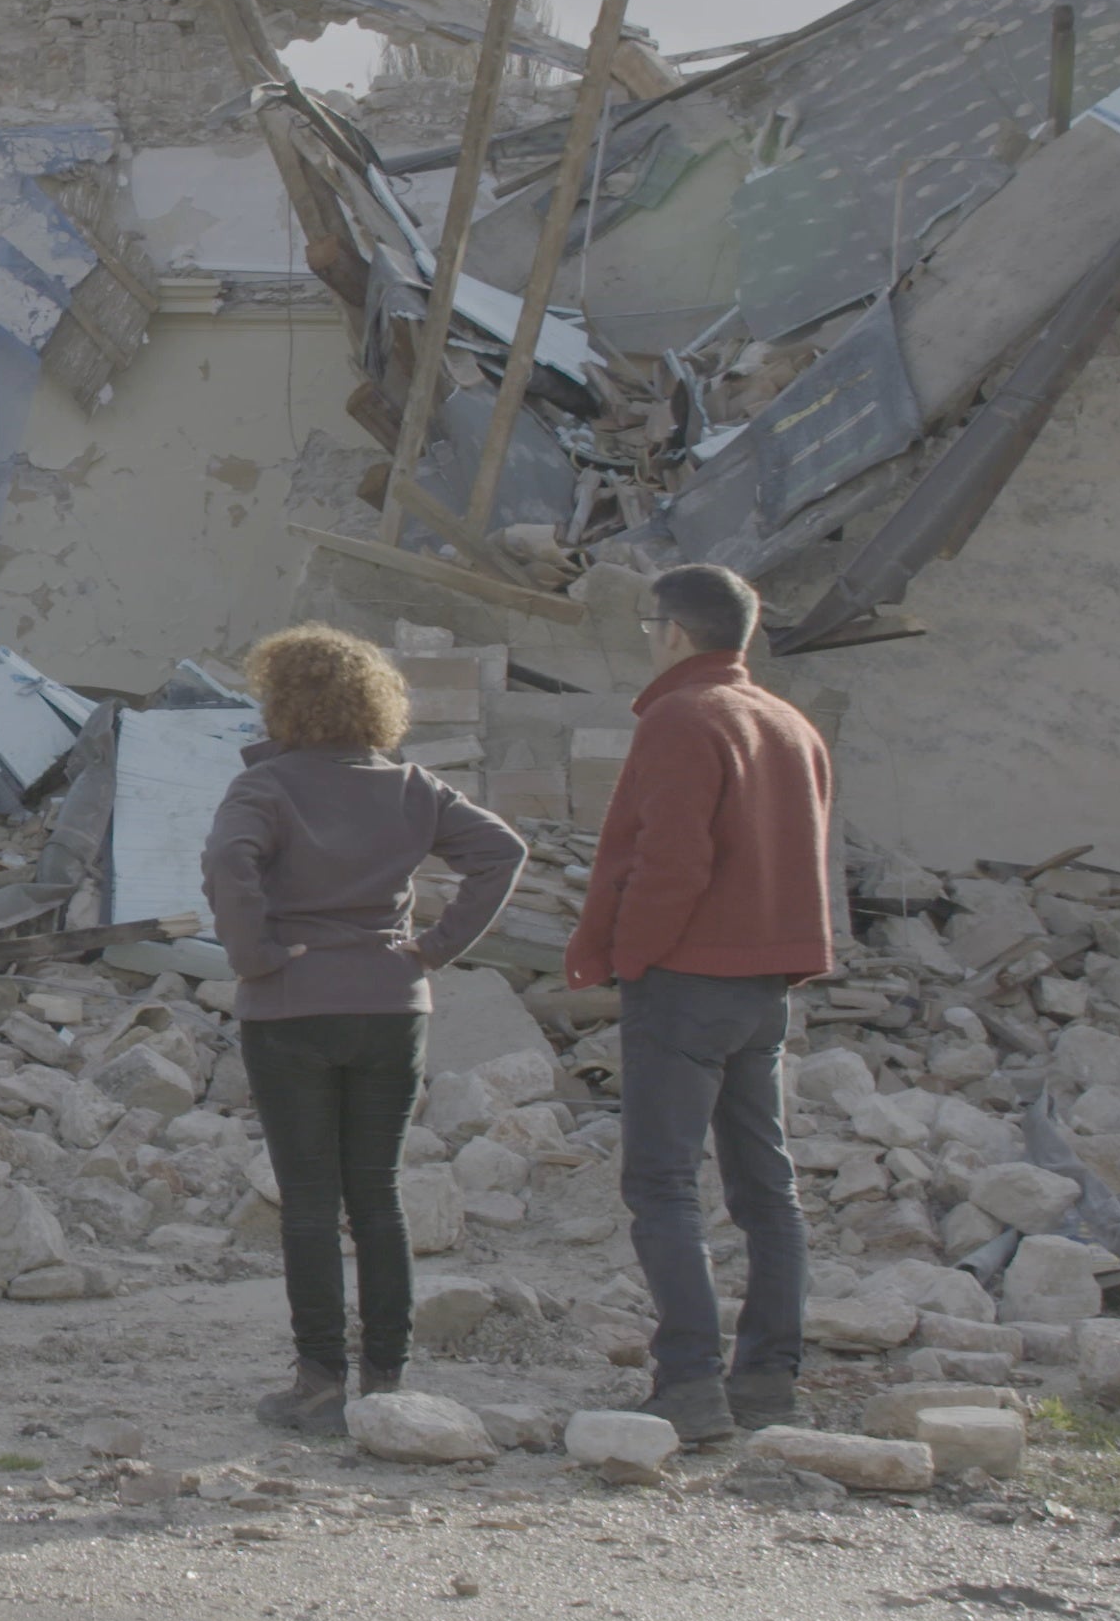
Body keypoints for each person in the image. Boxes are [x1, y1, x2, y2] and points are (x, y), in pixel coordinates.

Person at [204, 623, 526, 1436]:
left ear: (281, 701)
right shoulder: (412, 787)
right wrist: (436, 948)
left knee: (310, 1201)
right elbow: (501, 852)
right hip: (390, 1004)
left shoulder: (264, 789)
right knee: (377, 1195)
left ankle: (318, 1384)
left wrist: (257, 956)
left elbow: (226, 864)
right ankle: (388, 1379)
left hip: (291, 1007)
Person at [564, 563, 837, 1443]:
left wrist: (631, 958)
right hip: (765, 984)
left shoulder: (683, 718)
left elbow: (668, 863)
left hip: (687, 979)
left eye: (651, 626)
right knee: (767, 1187)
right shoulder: (789, 723)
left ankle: (689, 1383)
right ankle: (768, 1376)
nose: (648, 639)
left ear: (674, 632)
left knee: (662, 1183)